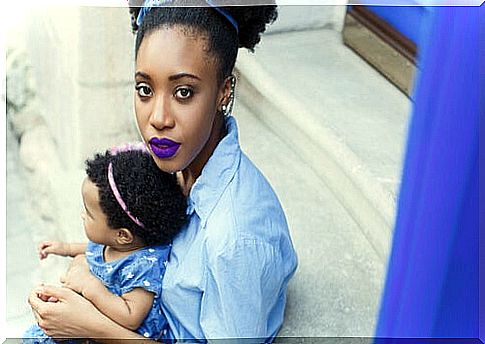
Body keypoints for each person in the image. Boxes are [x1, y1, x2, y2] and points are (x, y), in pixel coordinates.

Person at [28, 1, 298, 341]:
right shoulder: (177, 168)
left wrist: (90, 324)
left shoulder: (233, 238)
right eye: (145, 89)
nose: (158, 118)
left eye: (183, 92)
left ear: (224, 92)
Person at [24, 146, 187, 342]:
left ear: (122, 235)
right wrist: (65, 248)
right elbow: (92, 251)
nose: (82, 215)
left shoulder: (144, 266)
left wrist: (89, 286)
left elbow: (131, 317)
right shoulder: (112, 244)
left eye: (90, 214)